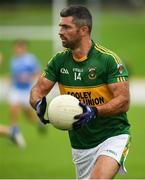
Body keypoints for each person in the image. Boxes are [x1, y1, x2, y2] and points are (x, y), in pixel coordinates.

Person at [30, 5, 131, 179]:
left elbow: (123, 101)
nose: (60, 31)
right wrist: (37, 103)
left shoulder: (108, 60)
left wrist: (94, 111)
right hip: (81, 144)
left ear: (83, 30)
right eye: (60, 26)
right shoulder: (59, 61)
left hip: (113, 136)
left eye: (66, 27)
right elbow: (37, 90)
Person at [9, 40, 41, 148]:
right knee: (14, 108)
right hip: (16, 89)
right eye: (16, 47)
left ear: (24, 48)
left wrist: (29, 77)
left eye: (19, 47)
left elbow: (38, 72)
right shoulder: (13, 60)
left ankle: (38, 122)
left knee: (28, 116)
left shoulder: (30, 59)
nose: (17, 49)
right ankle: (14, 130)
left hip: (26, 90)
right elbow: (14, 75)